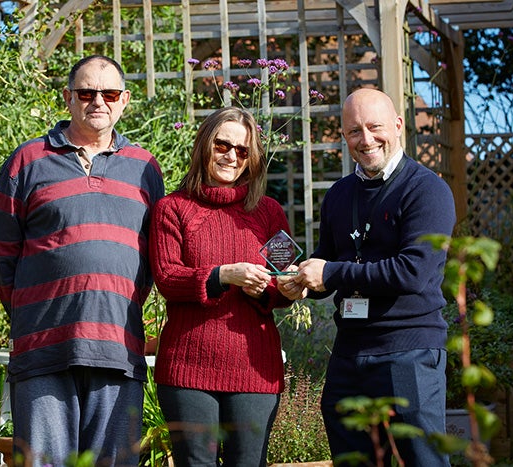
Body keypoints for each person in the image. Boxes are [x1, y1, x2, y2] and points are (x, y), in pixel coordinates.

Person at [0, 55, 165, 467]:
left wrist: (119, 299)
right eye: (86, 92)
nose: (98, 101)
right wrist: (37, 309)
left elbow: (157, 253)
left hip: (118, 348)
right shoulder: (27, 161)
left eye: (109, 93)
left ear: (125, 101)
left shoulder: (145, 169)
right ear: (68, 98)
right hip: (43, 347)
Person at [280, 88, 456, 466]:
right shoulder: (340, 195)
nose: (366, 139)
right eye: (354, 131)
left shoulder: (427, 190)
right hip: (350, 351)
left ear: (397, 126)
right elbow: (330, 262)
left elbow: (412, 272)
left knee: (421, 460)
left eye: (374, 127)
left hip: (409, 349)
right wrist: (301, 281)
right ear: (345, 137)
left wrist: (329, 272)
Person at [148, 106, 302, 466]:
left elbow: (280, 285)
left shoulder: (268, 212)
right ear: (205, 145)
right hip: (188, 367)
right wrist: (223, 275)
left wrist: (288, 289)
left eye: (243, 150)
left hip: (254, 368)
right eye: (223, 145)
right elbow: (168, 277)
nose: (232, 156)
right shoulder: (172, 209)